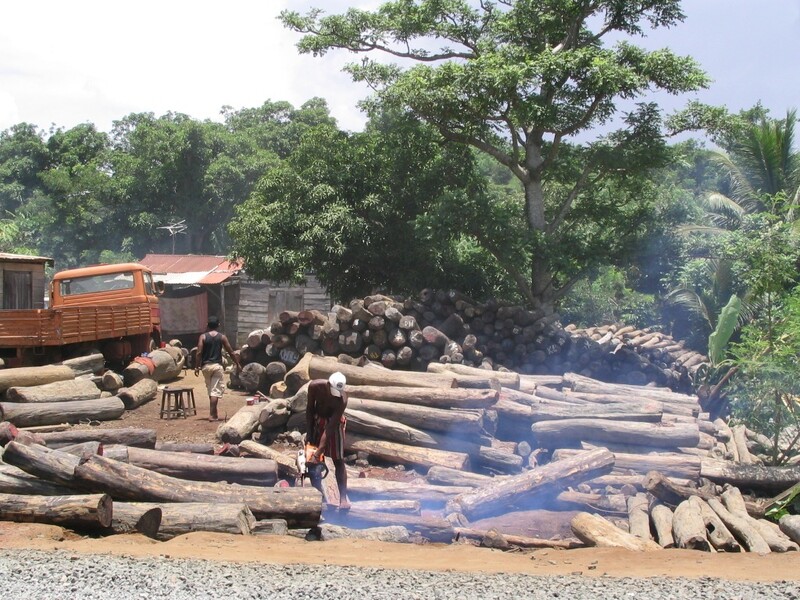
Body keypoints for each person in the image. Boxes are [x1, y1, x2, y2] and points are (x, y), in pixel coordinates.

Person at [305, 371, 350, 510]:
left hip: (333, 424)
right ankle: (319, 496)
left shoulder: (342, 399)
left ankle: (343, 498)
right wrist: (310, 433)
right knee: (312, 462)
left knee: (338, 460)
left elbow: (330, 428)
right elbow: (310, 410)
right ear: (329, 384)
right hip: (318, 419)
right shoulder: (314, 387)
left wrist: (319, 451)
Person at [194, 316, 241, 421]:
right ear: (218, 325)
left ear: (207, 325)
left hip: (205, 367)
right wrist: (237, 363)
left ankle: (214, 413)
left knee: (211, 390)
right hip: (217, 366)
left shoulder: (203, 337)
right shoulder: (222, 337)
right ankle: (212, 415)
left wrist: (197, 366)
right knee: (215, 391)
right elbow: (231, 352)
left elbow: (199, 352)